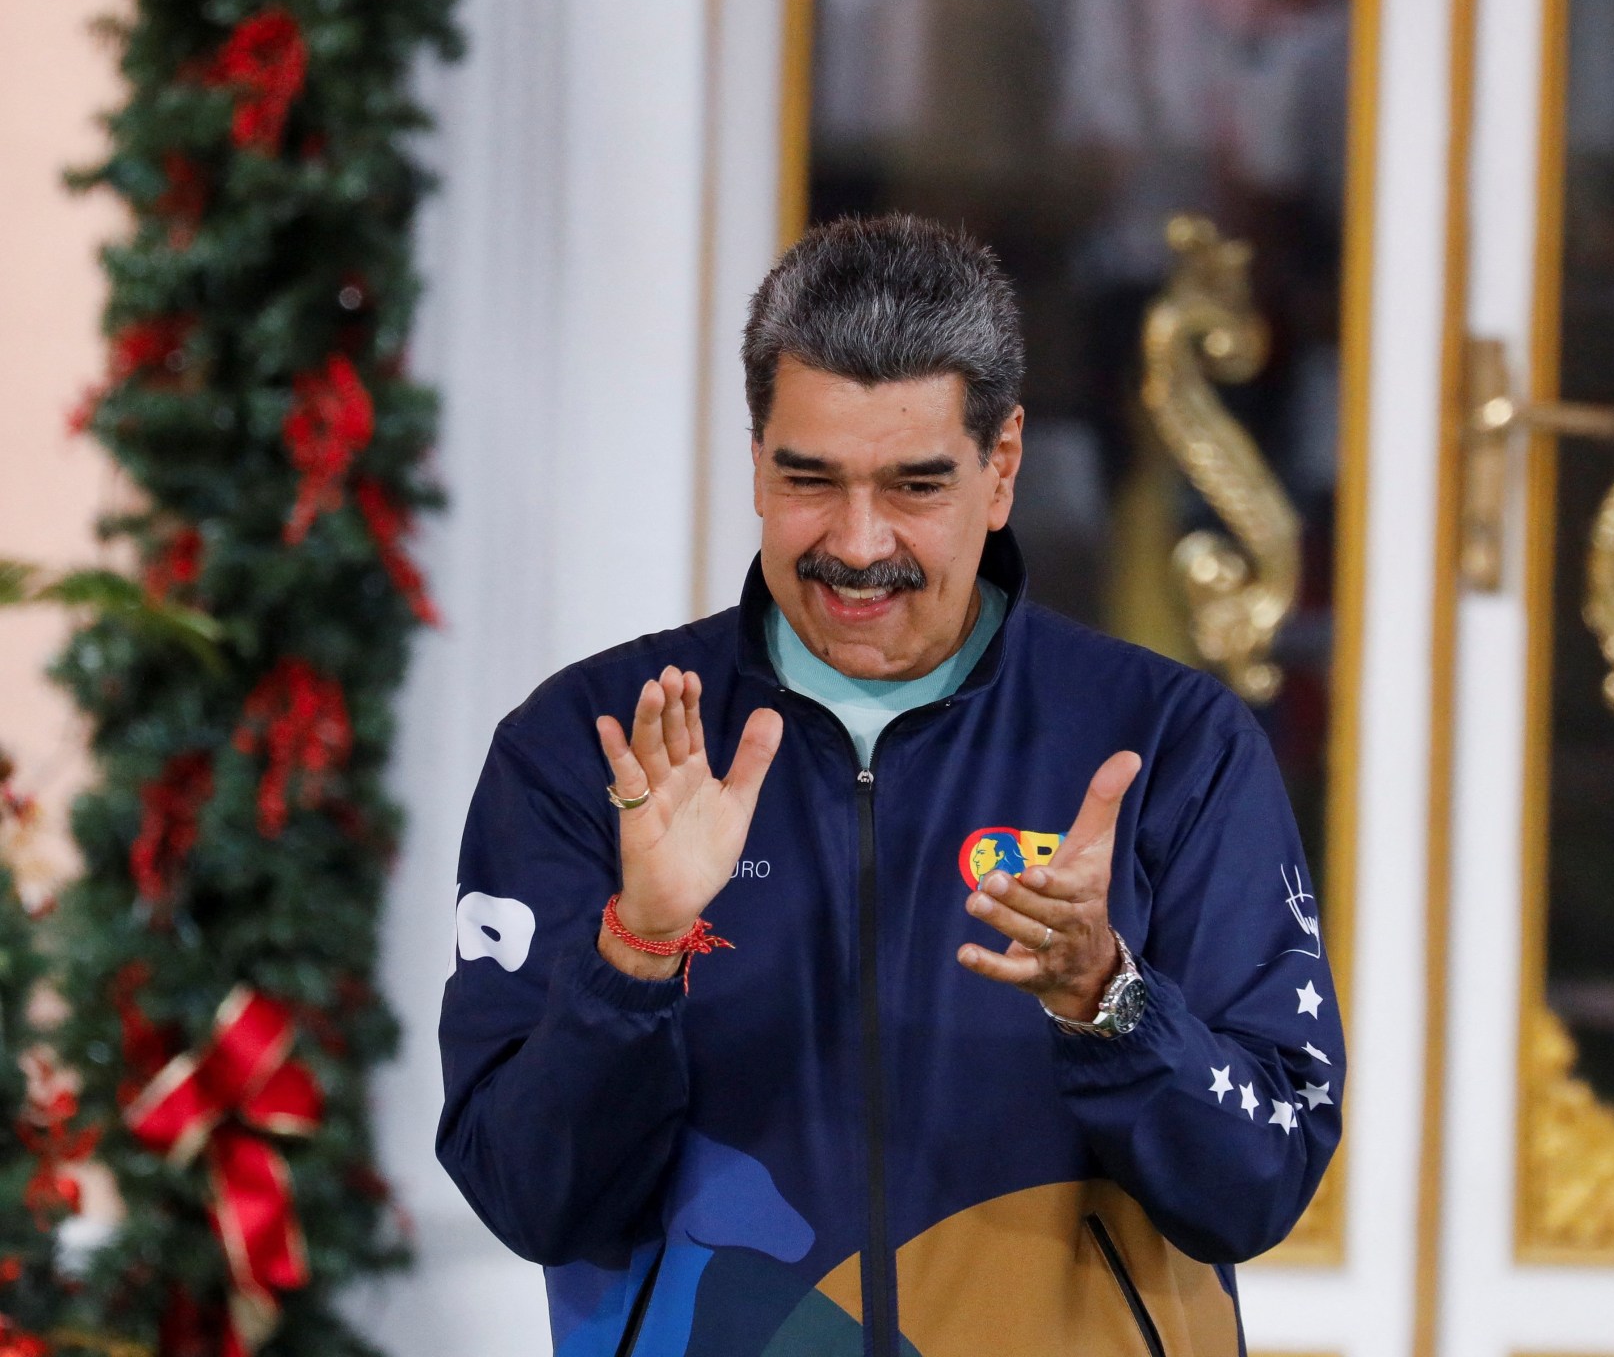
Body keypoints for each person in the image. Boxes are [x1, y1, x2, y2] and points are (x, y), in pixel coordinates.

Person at [438, 214, 1343, 1357]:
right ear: (756, 460)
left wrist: (1109, 1002)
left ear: (1001, 468)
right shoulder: (589, 748)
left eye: (915, 486)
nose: (859, 545)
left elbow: (1259, 1183)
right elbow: (528, 1197)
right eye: (809, 479)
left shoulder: (1172, 746)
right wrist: (639, 951)